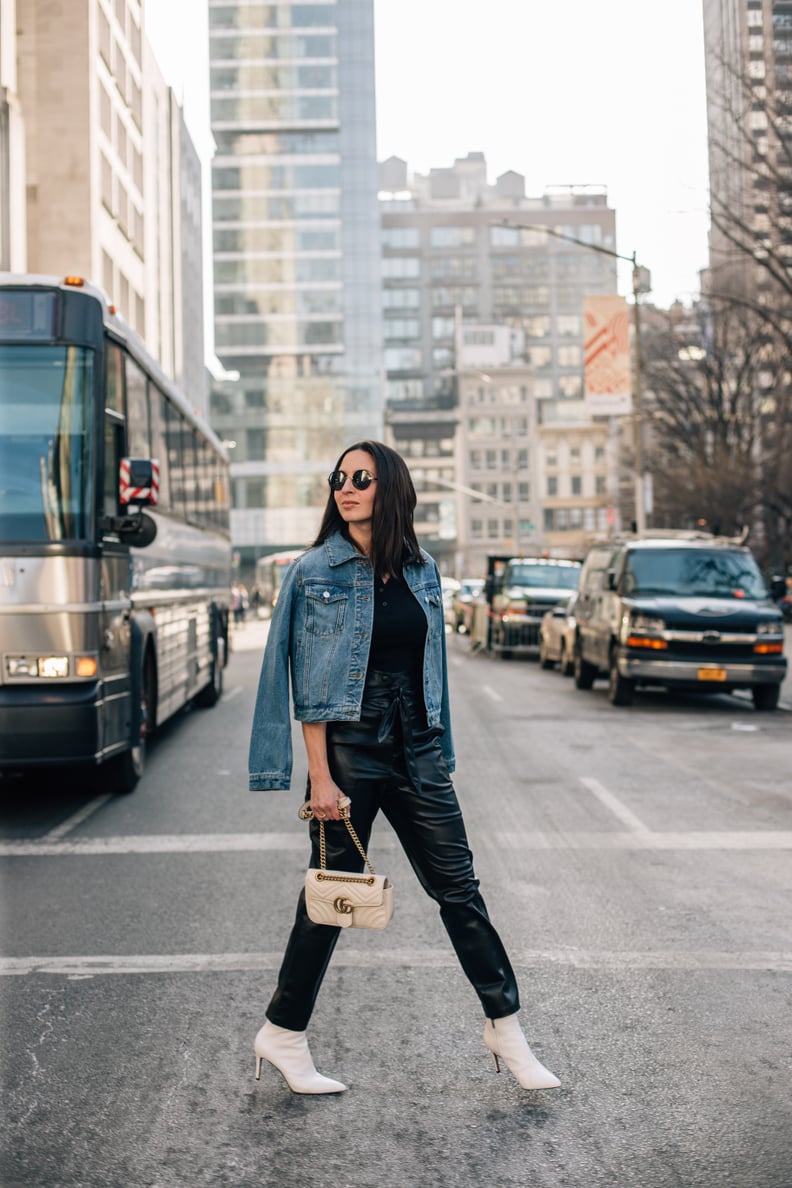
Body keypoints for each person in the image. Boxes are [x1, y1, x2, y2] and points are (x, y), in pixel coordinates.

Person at [248, 441, 560, 1095]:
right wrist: (320, 777)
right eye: (338, 477)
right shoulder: (314, 571)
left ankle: (505, 1025)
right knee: (332, 901)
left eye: (362, 477)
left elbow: (434, 668)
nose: (347, 487)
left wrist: (438, 751)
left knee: (460, 891)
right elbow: (301, 679)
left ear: (391, 488)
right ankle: (282, 1034)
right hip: (348, 754)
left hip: (416, 751)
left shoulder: (423, 570)